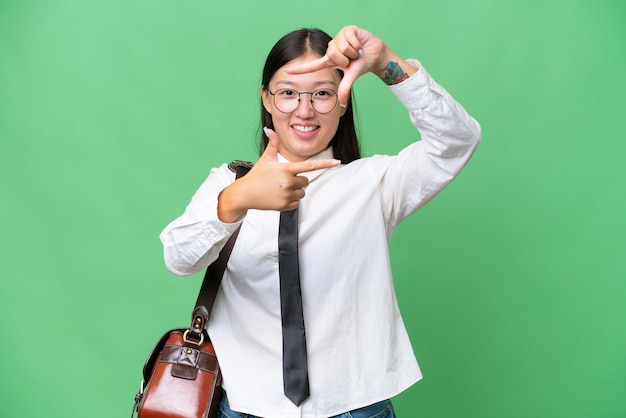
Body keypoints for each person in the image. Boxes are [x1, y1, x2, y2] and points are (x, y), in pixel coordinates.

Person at [160, 25, 481, 418]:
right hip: (246, 406)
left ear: (343, 101)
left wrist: (384, 62)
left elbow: (458, 140)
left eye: (323, 94)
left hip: (357, 406)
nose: (305, 109)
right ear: (266, 97)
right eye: (289, 93)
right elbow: (178, 259)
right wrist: (240, 199)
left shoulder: (374, 183)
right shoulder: (229, 184)